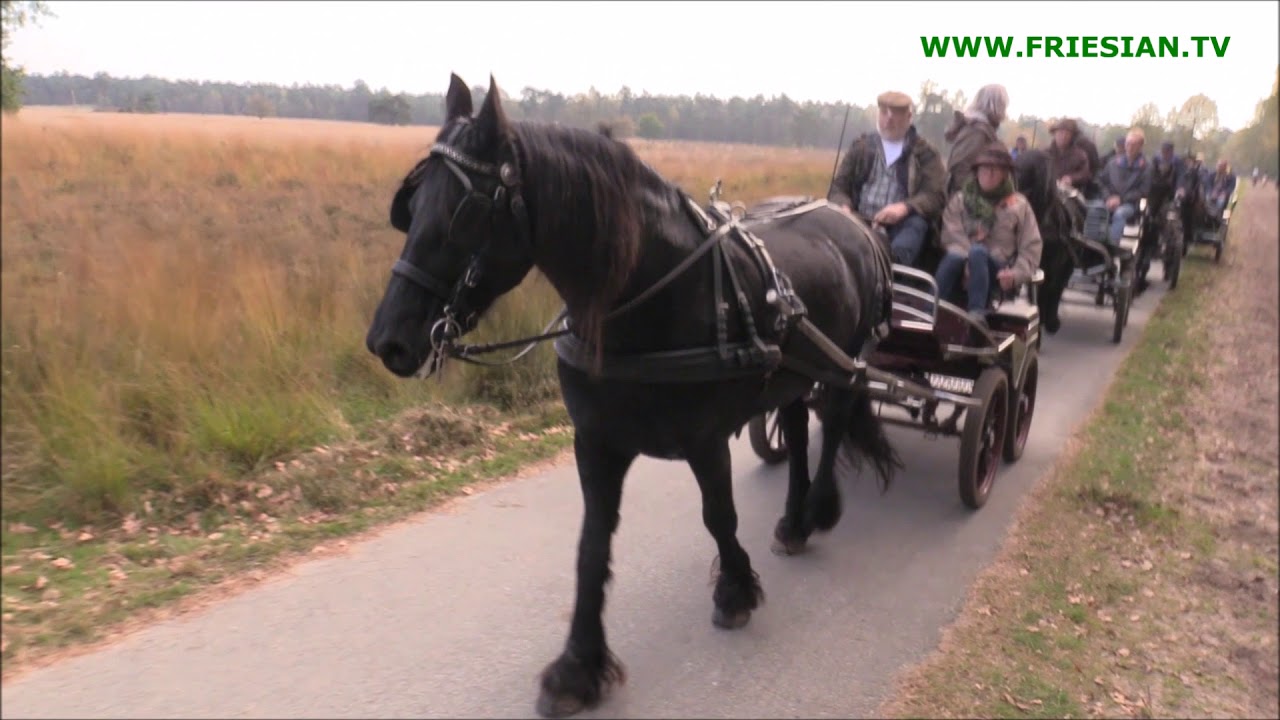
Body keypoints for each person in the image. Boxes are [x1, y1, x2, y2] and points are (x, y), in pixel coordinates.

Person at [827, 90, 948, 266]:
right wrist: (844, 207)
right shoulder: (860, 147)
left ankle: (891, 271)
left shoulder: (925, 153)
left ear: (909, 117)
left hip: (900, 228)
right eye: (884, 112)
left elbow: (935, 195)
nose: (888, 119)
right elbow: (838, 187)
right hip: (858, 220)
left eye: (896, 114)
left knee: (917, 224)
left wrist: (904, 208)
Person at [934, 143, 1043, 328]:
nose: (989, 174)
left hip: (997, 269)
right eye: (984, 168)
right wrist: (968, 259)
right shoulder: (960, 200)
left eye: (996, 170)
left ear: (1005, 174)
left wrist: (1016, 274)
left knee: (979, 253)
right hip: (961, 260)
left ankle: (976, 314)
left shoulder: (1019, 204)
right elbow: (951, 235)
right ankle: (933, 309)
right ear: (976, 172)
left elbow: (1031, 247)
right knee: (956, 257)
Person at [943, 84, 1010, 197]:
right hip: (967, 204)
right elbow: (961, 169)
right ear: (995, 104)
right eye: (1003, 104)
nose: (1004, 109)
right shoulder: (976, 132)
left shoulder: (982, 129)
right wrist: (977, 201)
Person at [1097, 128, 1151, 246]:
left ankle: (1111, 246)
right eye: (1128, 143)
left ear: (1140, 146)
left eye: (1134, 144)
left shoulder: (1146, 167)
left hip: (1130, 204)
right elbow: (1102, 182)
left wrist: (1120, 200)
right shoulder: (1113, 163)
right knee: (1094, 209)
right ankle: (1092, 243)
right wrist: (1107, 198)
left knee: (1120, 214)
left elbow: (1143, 191)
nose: (1130, 147)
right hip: (1109, 200)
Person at [1045, 118, 1093, 190]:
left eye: (1067, 134)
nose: (1063, 136)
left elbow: (1086, 174)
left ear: (1072, 136)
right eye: (1060, 132)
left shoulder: (1080, 155)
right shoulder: (1044, 153)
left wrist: (1072, 178)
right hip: (1046, 192)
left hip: (1070, 194)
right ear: (1054, 134)